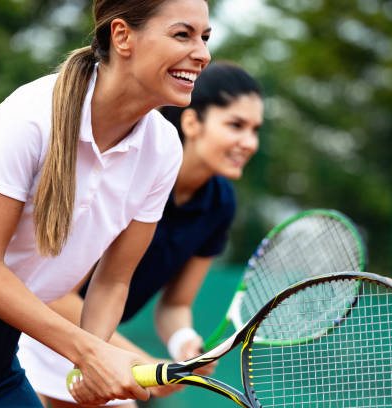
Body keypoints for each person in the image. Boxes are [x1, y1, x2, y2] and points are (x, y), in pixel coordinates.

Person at [0, 0, 211, 406]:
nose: (202, 53)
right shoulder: (30, 115)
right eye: (182, 34)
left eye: (204, 37)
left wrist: (87, 366)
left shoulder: (164, 150)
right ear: (122, 36)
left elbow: (113, 279)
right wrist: (89, 352)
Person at [17, 61, 264, 408]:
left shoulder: (220, 203)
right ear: (192, 122)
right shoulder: (134, 173)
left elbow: (175, 304)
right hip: (40, 331)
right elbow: (58, 297)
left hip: (99, 346)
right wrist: (138, 360)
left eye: (255, 129)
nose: (249, 142)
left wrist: (183, 344)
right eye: (236, 125)